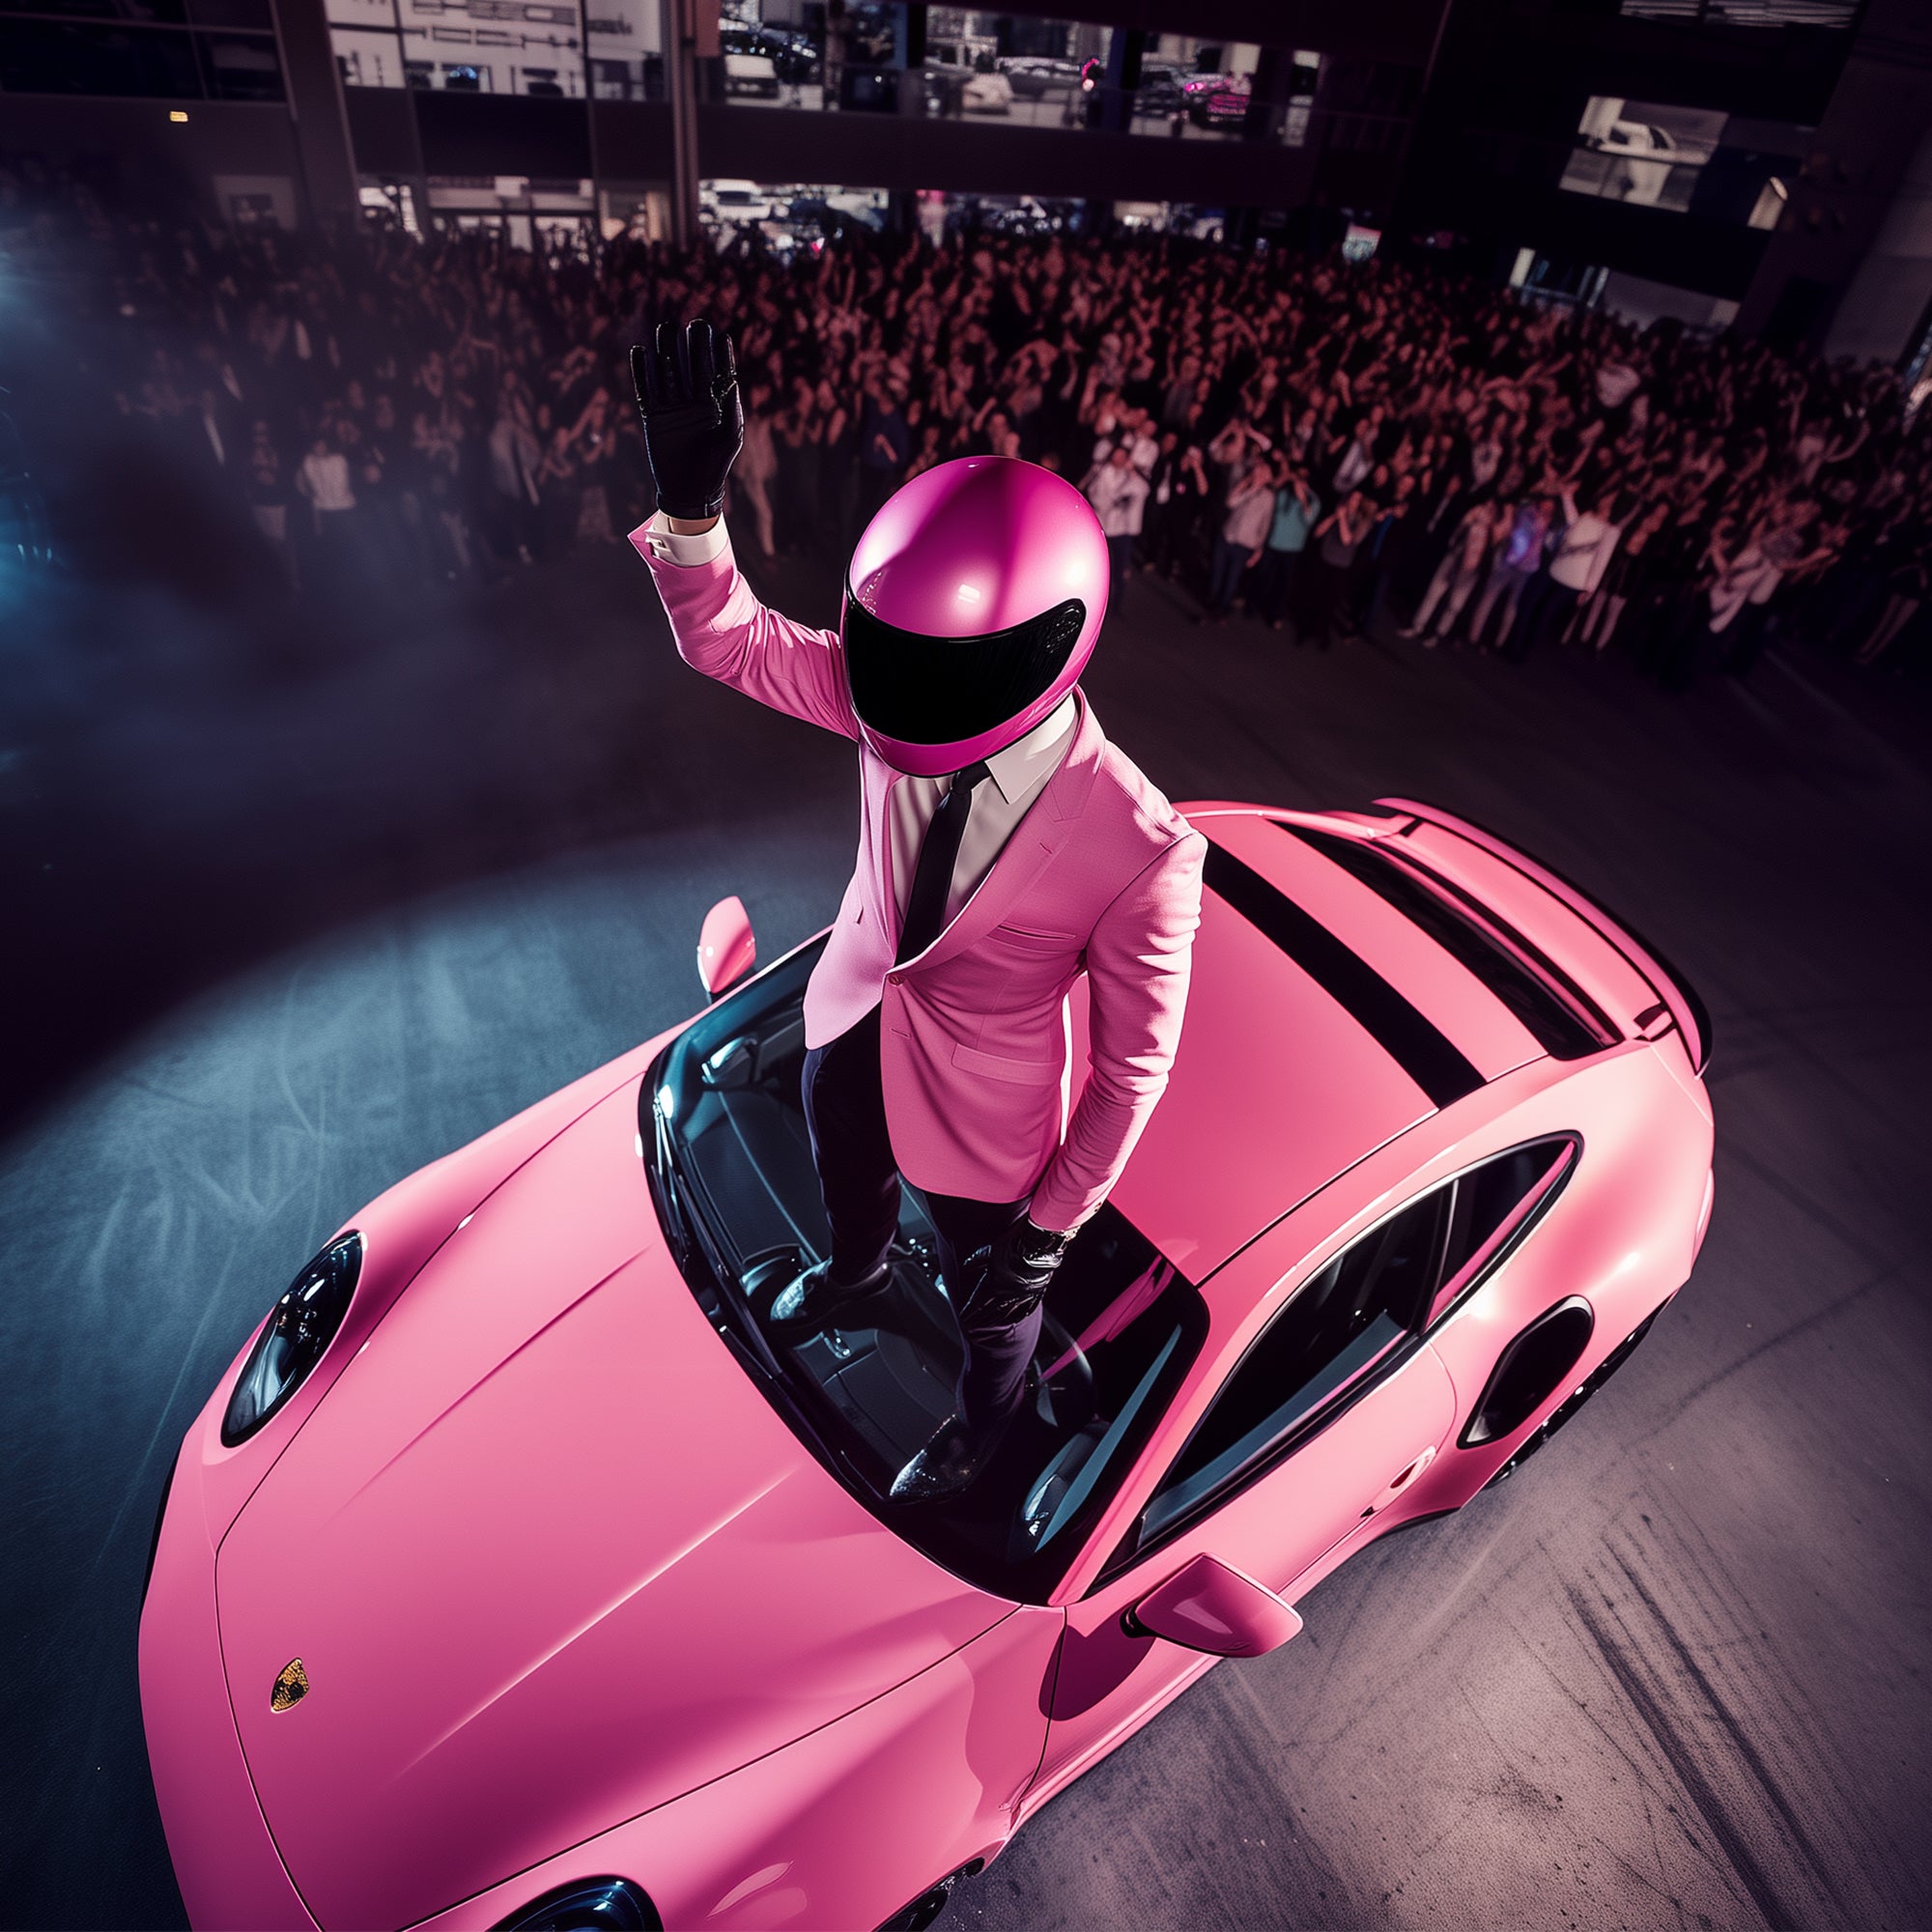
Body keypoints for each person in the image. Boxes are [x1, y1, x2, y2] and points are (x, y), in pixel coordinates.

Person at [629, 318, 1207, 1504]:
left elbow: (1128, 1074)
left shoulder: (1144, 848)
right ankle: (852, 1271)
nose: (885, 691)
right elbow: (731, 644)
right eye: (884, 653)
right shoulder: (904, 667)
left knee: (993, 1303)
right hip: (846, 1011)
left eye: (926, 674)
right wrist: (692, 509)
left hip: (989, 1122)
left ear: (1044, 644)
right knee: (846, 1176)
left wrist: (1046, 1231)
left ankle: (981, 1436)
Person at [1082, 441, 1150, 602]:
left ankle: (1116, 602)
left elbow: (1143, 490)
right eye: (1115, 454)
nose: (1117, 458)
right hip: (1103, 527)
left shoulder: (1132, 476)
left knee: (1120, 568)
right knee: (1099, 568)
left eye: (1121, 456)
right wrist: (1112, 501)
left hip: (1122, 530)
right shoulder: (1101, 472)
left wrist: (1132, 472)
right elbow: (1094, 494)